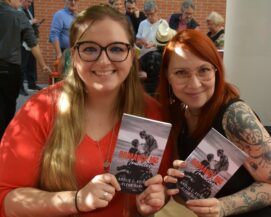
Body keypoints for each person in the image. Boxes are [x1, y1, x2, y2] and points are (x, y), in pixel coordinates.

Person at [0, 4, 172, 217]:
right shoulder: (40, 109)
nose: (103, 60)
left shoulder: (152, 114)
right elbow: (6, 199)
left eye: (117, 49)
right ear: (73, 54)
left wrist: (158, 197)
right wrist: (75, 200)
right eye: (90, 49)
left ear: (132, 54)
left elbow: (162, 186)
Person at [159, 29, 271, 216]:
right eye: (181, 73)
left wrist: (224, 206)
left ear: (216, 71)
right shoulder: (179, 115)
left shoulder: (235, 116)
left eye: (204, 70)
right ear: (168, 77)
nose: (194, 83)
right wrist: (176, 183)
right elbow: (185, 195)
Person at [0, 0, 50, 141]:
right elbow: (32, 43)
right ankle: (5, 142)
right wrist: (42, 64)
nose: (21, 2)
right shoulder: (19, 16)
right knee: (8, 108)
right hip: (9, 69)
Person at [19, 0, 43, 95]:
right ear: (23, 0)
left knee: (31, 64)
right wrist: (31, 21)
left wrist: (35, 24)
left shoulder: (27, 10)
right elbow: (20, 24)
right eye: (28, 2)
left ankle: (32, 84)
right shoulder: (19, 10)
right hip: (24, 43)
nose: (30, 4)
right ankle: (20, 88)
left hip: (31, 42)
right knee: (22, 66)